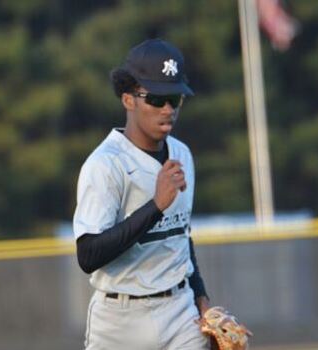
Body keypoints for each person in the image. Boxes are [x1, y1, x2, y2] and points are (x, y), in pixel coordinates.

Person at [73, 38, 211, 350]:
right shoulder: (105, 165)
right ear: (128, 99)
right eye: (157, 98)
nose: (167, 109)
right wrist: (156, 206)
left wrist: (201, 296)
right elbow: (88, 254)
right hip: (119, 321)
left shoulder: (182, 154)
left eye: (175, 98)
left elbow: (179, 235)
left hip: (180, 311)